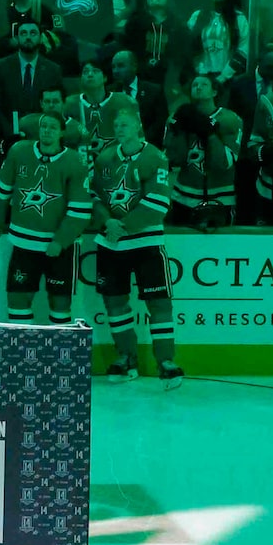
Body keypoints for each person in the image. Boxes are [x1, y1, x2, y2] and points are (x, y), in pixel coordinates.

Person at [90, 104, 182, 381]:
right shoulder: (105, 159)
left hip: (146, 244)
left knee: (159, 303)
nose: (120, 130)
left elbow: (158, 203)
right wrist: (108, 222)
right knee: (115, 302)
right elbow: (93, 197)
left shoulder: (155, 157)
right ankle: (125, 358)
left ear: (138, 126)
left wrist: (122, 227)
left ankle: (165, 361)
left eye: (125, 125)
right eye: (116, 126)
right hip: (112, 243)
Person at [0, 108, 91, 324]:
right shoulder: (19, 151)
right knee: (17, 300)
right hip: (24, 243)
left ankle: (60, 356)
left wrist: (60, 241)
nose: (47, 131)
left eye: (53, 127)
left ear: (62, 133)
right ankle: (21, 353)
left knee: (60, 303)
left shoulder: (75, 161)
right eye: (44, 126)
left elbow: (80, 210)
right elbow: (2, 190)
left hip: (59, 248)